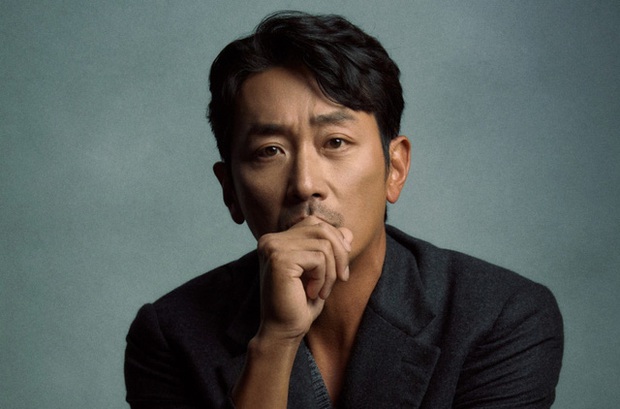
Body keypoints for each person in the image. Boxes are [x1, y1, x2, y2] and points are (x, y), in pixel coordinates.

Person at [124, 11, 563, 409]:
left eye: (335, 142)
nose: (305, 184)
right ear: (230, 191)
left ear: (395, 168)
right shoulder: (169, 336)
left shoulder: (501, 316)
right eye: (269, 151)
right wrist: (275, 343)